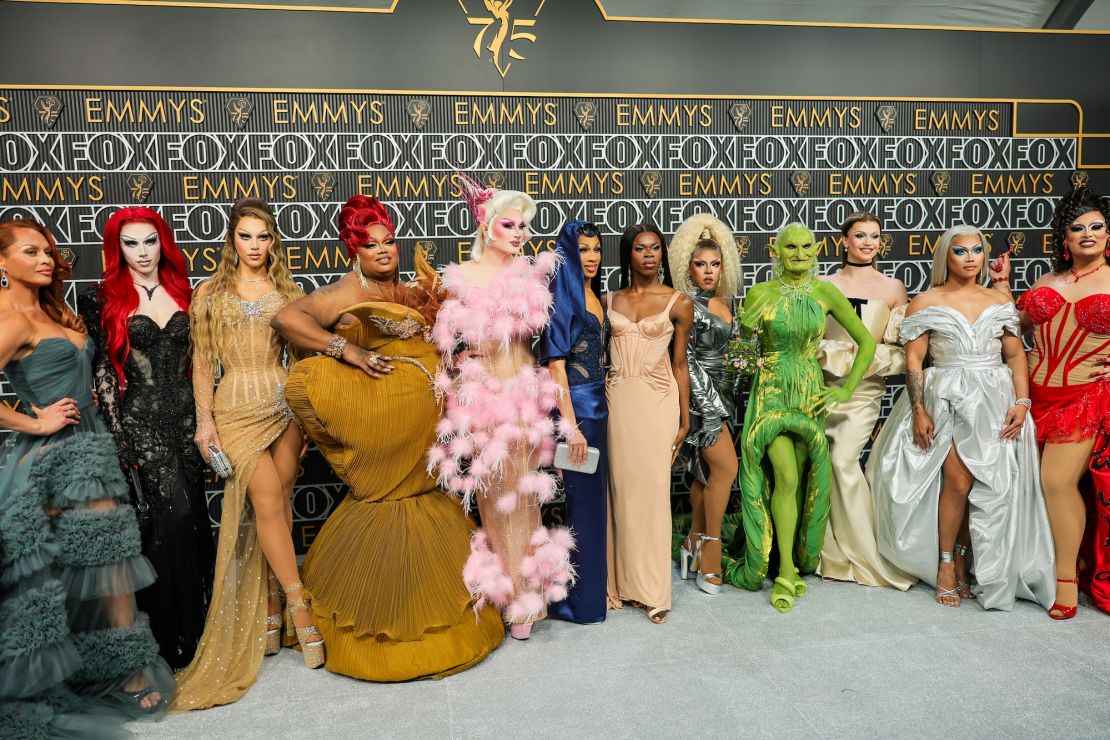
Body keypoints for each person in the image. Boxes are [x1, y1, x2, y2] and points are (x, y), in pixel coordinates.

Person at [271, 195, 503, 678]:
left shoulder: (415, 289)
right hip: (382, 424)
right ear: (352, 250)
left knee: (425, 505)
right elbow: (287, 319)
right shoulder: (344, 293)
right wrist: (346, 352)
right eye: (369, 244)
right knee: (388, 511)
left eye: (389, 241)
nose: (382, 251)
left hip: (424, 428)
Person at [0, 219, 175, 734]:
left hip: (91, 442)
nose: (45, 259)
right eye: (30, 252)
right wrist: (35, 419)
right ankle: (127, 672)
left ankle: (117, 669)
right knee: (93, 562)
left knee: (97, 560)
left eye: (47, 251)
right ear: (2, 262)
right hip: (54, 455)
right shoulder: (9, 318)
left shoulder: (52, 308)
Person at [173, 198, 314, 712]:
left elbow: (300, 360)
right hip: (235, 410)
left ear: (273, 242)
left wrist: (309, 411)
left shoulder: (289, 292)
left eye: (264, 237)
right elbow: (202, 361)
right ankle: (301, 609)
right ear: (231, 240)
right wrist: (205, 425)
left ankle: (272, 610)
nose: (255, 246)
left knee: (279, 503)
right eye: (245, 236)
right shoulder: (209, 293)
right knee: (269, 500)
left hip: (285, 409)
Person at [868, 224, 1054, 610]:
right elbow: (915, 360)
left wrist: (1022, 402)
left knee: (989, 485)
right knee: (957, 480)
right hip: (948, 396)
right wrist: (919, 409)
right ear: (945, 257)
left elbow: (1016, 355)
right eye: (960, 251)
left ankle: (969, 560)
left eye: (977, 250)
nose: (971, 258)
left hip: (994, 397)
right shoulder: (925, 300)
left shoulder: (999, 300)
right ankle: (946, 565)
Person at [430, 179, 575, 641]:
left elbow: (546, 344)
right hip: (484, 399)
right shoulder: (461, 278)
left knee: (524, 496)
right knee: (496, 497)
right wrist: (457, 361)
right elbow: (443, 343)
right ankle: (510, 595)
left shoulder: (531, 275)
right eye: (509, 224)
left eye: (524, 226)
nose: (519, 233)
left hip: (526, 396)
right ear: (486, 226)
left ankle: (525, 596)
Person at [77, 207, 216, 670]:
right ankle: (166, 637)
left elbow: (201, 365)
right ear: (117, 249)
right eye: (130, 243)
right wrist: (120, 439)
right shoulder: (103, 298)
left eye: (149, 241)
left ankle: (196, 633)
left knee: (194, 519)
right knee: (164, 525)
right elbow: (103, 373)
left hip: (186, 423)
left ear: (164, 244)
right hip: (140, 425)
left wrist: (207, 421)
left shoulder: (187, 293)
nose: (141, 252)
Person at [724, 222, 875, 612]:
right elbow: (740, 355)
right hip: (772, 392)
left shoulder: (827, 292)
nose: (800, 254)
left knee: (799, 479)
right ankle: (786, 570)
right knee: (785, 476)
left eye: (807, 247)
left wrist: (843, 388)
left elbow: (867, 341)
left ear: (817, 248)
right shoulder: (760, 292)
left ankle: (782, 557)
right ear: (776, 249)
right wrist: (743, 332)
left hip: (809, 392)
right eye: (791, 247)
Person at [991, 186, 1110, 618]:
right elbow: (1011, 328)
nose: (1087, 234)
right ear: (1064, 237)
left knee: (1057, 483)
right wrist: (1003, 285)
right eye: (1077, 228)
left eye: (1097, 226)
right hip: (1031, 393)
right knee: (1030, 490)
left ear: (1109, 234)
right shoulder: (1047, 281)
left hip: (1084, 395)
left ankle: (1066, 583)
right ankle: (1041, 566)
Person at [815, 212, 915, 589]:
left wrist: (856, 359)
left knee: (843, 461)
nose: (868, 243)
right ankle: (828, 555)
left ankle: (864, 553)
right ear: (844, 240)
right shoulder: (822, 284)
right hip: (821, 388)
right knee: (821, 464)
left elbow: (896, 349)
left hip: (863, 390)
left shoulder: (893, 288)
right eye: (860, 236)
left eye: (874, 236)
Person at [605, 223, 693, 623]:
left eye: (656, 248)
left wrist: (686, 415)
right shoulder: (608, 298)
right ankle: (621, 585)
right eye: (641, 249)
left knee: (655, 493)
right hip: (618, 400)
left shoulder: (679, 302)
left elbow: (680, 363)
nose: (649, 255)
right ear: (629, 254)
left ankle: (655, 591)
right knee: (622, 494)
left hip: (659, 402)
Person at [667, 214, 743, 596]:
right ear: (687, 267)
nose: (709, 271)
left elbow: (733, 354)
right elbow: (684, 362)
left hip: (725, 397)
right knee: (726, 468)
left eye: (715, 264)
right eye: (700, 264)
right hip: (699, 400)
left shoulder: (726, 302)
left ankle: (690, 543)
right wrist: (706, 406)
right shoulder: (686, 305)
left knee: (704, 475)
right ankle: (709, 559)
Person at [540, 220, 609, 623]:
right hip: (578, 411)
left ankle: (589, 597)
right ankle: (579, 606)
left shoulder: (592, 294)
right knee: (582, 509)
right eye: (583, 249)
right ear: (569, 253)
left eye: (597, 249)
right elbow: (556, 366)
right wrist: (570, 426)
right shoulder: (564, 296)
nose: (592, 257)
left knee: (591, 508)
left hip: (598, 407)